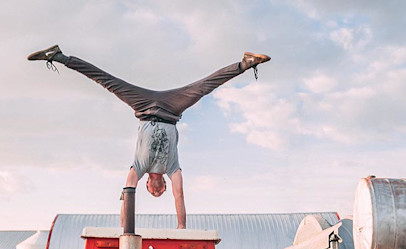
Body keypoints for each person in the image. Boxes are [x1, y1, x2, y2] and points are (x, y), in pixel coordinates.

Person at [28, 45, 270, 228]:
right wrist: (182, 227)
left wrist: (125, 230)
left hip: (143, 107)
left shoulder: (138, 168)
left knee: (108, 82)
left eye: (152, 192)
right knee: (203, 87)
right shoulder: (172, 169)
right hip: (172, 108)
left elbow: (126, 193)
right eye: (160, 192)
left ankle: (58, 56)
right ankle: (245, 63)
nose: (156, 191)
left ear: (146, 184)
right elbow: (180, 195)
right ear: (163, 184)